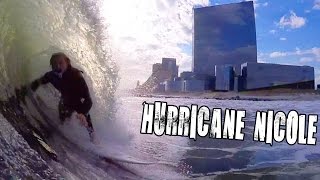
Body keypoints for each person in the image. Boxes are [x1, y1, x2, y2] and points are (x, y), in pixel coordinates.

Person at [27, 52, 96, 142]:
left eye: (61, 63)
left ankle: (94, 140)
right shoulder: (51, 76)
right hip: (65, 102)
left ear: (67, 62)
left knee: (87, 124)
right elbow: (37, 83)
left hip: (79, 103)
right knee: (62, 121)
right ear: (52, 66)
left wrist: (82, 113)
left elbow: (88, 100)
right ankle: (58, 138)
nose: (58, 66)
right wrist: (27, 91)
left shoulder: (76, 76)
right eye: (55, 64)